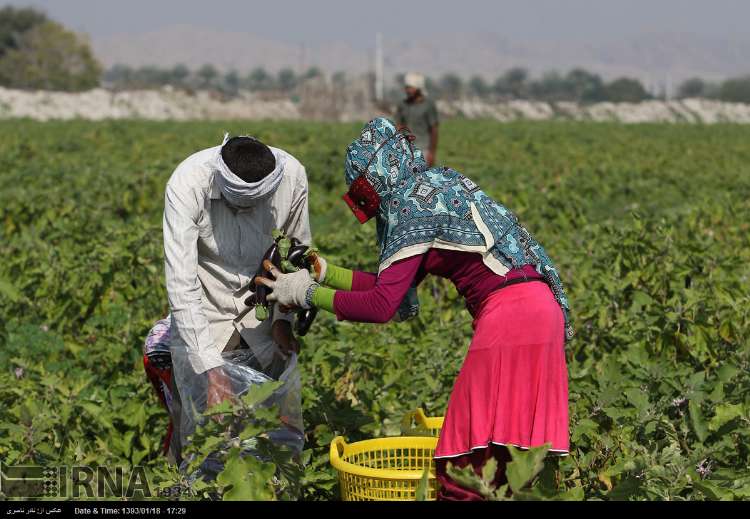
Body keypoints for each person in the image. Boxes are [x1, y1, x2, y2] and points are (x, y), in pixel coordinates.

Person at [258, 117, 573, 501]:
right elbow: (390, 287)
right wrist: (326, 274)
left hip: (509, 320)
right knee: (514, 452)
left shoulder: (408, 206)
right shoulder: (438, 185)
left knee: (465, 459)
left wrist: (308, 295)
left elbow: (381, 306)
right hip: (541, 312)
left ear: (373, 179)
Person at [162, 134, 311, 466]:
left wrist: (284, 321)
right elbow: (181, 280)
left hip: (264, 316)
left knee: (270, 430)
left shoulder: (292, 178)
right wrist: (211, 370)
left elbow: (296, 256)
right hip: (206, 311)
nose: (245, 212)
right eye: (236, 204)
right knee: (203, 431)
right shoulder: (188, 184)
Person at [395, 72, 439, 167]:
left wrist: (432, 153)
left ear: (418, 88)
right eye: (406, 88)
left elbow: (434, 130)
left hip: (423, 150)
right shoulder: (402, 105)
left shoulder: (428, 105)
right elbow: (399, 126)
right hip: (405, 150)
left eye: (410, 88)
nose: (408, 90)